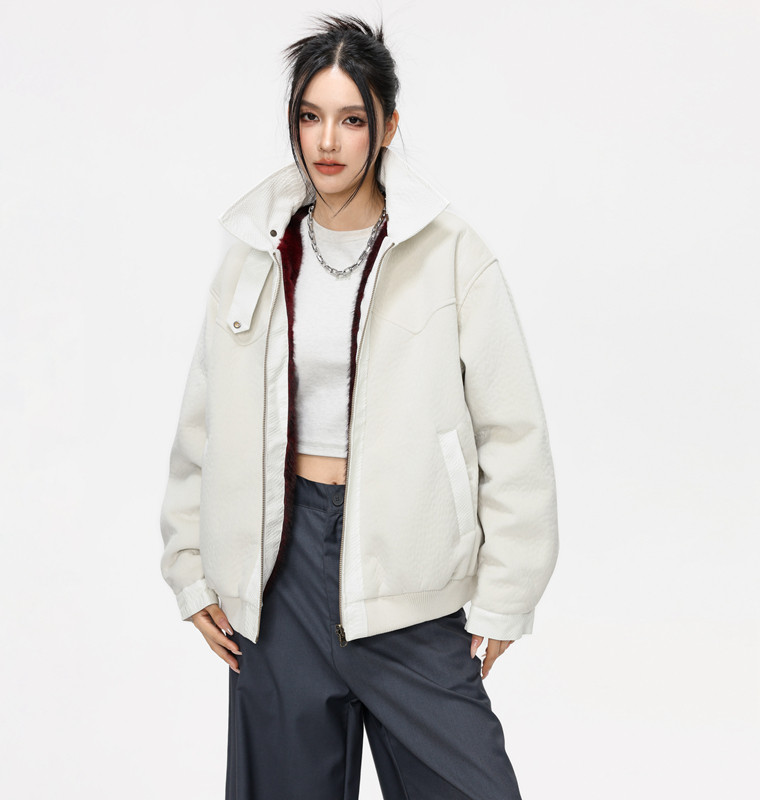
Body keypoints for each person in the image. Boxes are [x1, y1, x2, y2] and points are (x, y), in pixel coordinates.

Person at [159, 12, 559, 800]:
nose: (328, 141)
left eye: (351, 119)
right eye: (311, 117)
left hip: (405, 574)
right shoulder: (254, 253)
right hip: (277, 572)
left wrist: (507, 592)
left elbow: (511, 431)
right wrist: (190, 569)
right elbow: (203, 425)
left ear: (387, 127)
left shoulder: (450, 254)